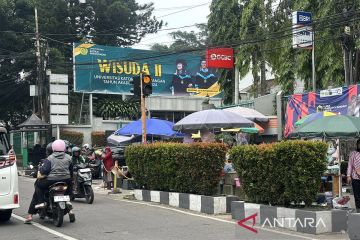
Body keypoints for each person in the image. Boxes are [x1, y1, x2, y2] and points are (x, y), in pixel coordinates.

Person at [25, 140, 73, 223]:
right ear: (64, 148)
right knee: (70, 184)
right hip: (66, 179)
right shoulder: (69, 157)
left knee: (38, 185)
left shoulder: (50, 158)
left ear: (53, 148)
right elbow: (71, 170)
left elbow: (45, 170)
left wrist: (41, 170)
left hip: (51, 180)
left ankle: (40, 203)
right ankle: (68, 200)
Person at [347, 139, 360, 213]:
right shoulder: (353, 154)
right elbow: (350, 165)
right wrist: (348, 175)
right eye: (359, 144)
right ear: (357, 145)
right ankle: (358, 211)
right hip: (355, 178)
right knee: (357, 196)